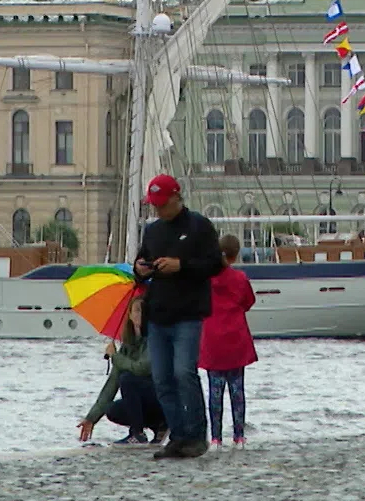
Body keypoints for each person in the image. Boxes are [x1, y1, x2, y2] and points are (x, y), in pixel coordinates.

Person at [134, 173, 223, 460]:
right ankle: (178, 434)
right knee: (162, 378)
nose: (158, 210)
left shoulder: (199, 226)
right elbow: (140, 262)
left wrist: (181, 266)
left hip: (188, 312)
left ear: (176, 197)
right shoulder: (152, 231)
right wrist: (141, 269)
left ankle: (197, 436)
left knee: (184, 373)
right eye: (155, 205)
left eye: (162, 204)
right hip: (158, 313)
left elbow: (215, 265)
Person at [77, 295, 167, 446]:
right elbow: (111, 384)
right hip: (145, 399)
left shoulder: (154, 339)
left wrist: (116, 357)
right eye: (137, 311)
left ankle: (138, 433)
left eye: (144, 311)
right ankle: (157, 428)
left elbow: (142, 368)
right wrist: (91, 418)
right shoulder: (127, 346)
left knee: (128, 379)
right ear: (130, 315)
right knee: (112, 409)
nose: (140, 315)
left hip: (160, 398)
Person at [199, 233, 257, 448]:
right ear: (235, 255)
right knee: (237, 390)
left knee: (215, 391)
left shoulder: (206, 279)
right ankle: (239, 436)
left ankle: (215, 437)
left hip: (212, 339)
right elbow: (248, 301)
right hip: (235, 338)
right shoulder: (240, 278)